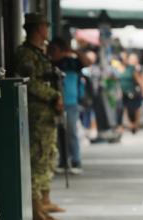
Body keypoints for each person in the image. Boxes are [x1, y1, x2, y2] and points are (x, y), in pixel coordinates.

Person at [14, 13, 64, 220]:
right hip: (37, 114)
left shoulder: (40, 53)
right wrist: (53, 96)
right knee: (38, 157)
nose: (47, 29)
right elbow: (30, 82)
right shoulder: (26, 54)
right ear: (37, 28)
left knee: (48, 155)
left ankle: (44, 200)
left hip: (47, 114)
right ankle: (35, 206)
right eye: (45, 25)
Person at [48, 37, 90, 175]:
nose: (52, 52)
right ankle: (63, 161)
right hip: (55, 103)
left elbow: (88, 62)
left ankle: (76, 160)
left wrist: (73, 51)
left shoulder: (72, 62)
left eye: (54, 49)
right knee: (59, 133)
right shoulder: (49, 64)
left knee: (71, 131)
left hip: (71, 103)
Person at [119, 52, 143, 134]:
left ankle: (135, 125)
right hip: (125, 93)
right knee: (127, 109)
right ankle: (131, 125)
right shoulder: (123, 68)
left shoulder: (134, 69)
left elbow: (140, 80)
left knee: (136, 109)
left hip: (134, 92)